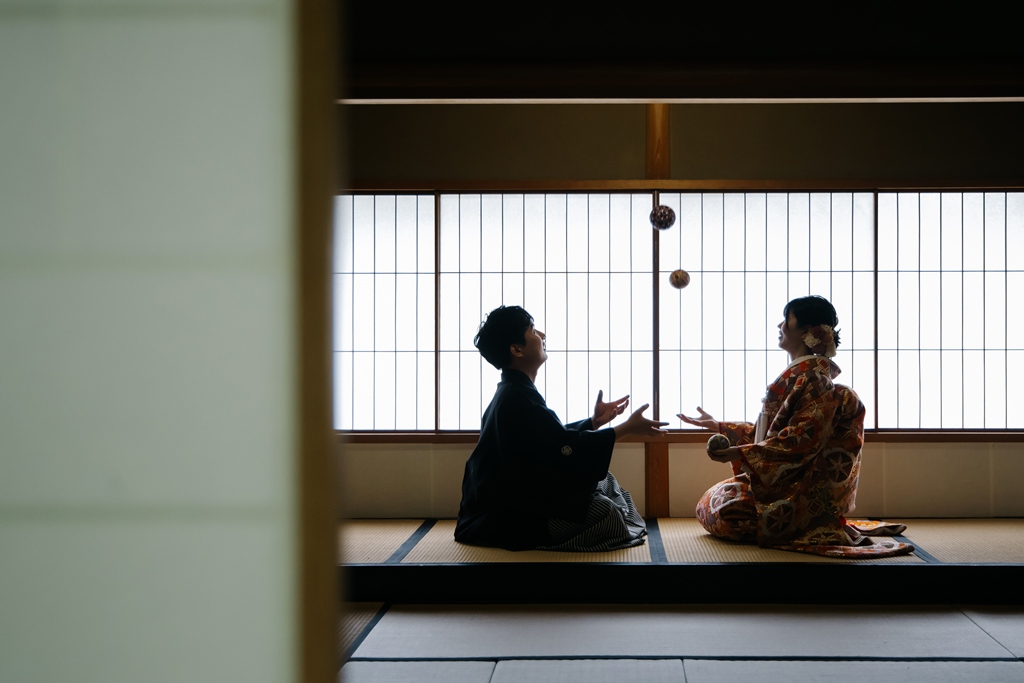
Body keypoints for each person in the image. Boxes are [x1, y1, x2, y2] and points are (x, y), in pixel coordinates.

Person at [679, 295, 913, 558]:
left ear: (807, 332)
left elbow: (799, 442)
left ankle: (811, 524)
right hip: (784, 483)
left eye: (786, 321)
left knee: (729, 513)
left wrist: (739, 452)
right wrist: (721, 427)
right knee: (715, 502)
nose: (780, 325)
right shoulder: (802, 376)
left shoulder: (814, 380)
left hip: (798, 492)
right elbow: (772, 432)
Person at [455, 305, 668, 552]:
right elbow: (560, 446)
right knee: (606, 513)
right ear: (516, 350)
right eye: (533, 331)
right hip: (509, 515)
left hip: (524, 497)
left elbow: (549, 441)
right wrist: (625, 429)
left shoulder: (514, 392)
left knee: (606, 482)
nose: (542, 336)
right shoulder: (515, 398)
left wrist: (593, 423)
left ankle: (613, 523)